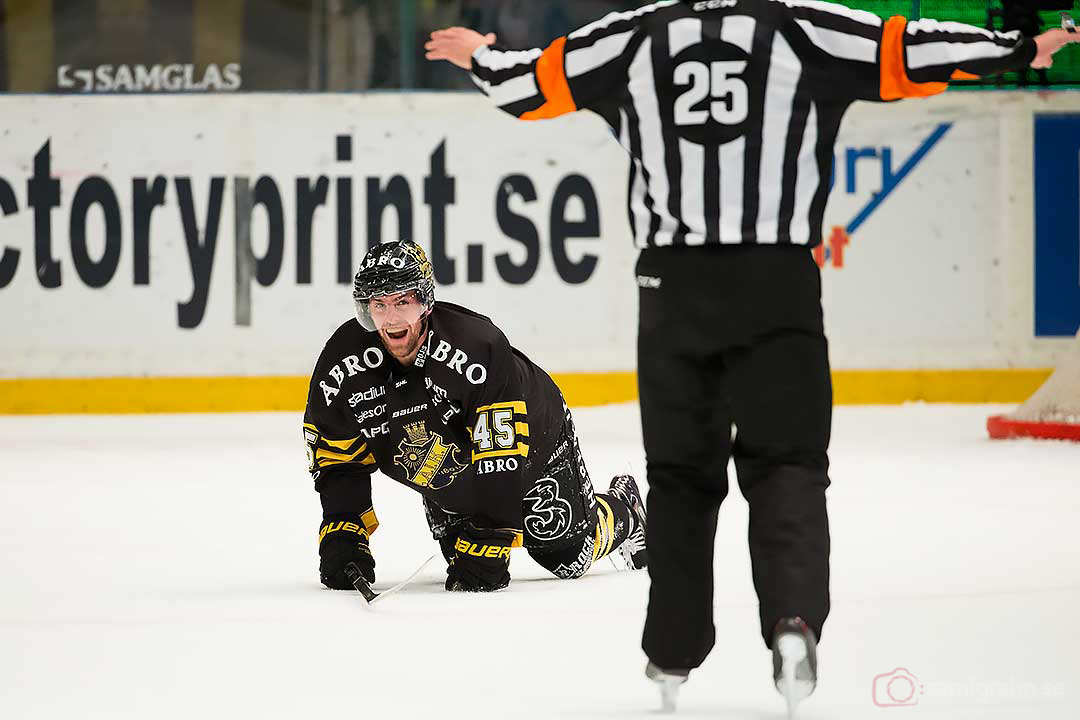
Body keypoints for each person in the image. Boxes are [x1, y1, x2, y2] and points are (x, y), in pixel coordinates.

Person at [424, 0, 1080, 713]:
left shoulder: (636, 35)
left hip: (673, 286)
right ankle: (793, 622)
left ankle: (671, 652)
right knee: (787, 463)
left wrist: (479, 54)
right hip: (779, 282)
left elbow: (530, 84)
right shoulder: (802, 25)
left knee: (680, 476)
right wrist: (1019, 48)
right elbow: (912, 49)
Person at [304, 240, 647, 596]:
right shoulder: (341, 364)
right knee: (460, 559)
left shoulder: (476, 348)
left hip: (534, 442)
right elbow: (338, 454)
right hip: (446, 472)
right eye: (379, 304)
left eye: (402, 301)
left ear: (425, 302)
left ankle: (626, 509)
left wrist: (492, 535)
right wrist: (344, 529)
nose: (391, 318)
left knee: (568, 553)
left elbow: (502, 450)